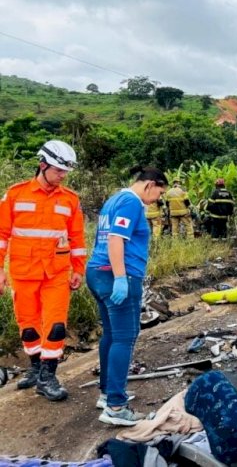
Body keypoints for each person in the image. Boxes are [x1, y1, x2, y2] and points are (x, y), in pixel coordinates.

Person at [0, 140, 86, 401]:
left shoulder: (70, 200)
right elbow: (1, 236)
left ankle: (48, 377)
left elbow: (77, 238)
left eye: (65, 172)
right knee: (28, 326)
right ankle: (36, 369)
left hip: (56, 274)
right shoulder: (15, 195)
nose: (62, 176)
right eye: (58, 170)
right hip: (24, 272)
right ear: (43, 165)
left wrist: (78, 270)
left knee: (56, 326)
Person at [86, 166, 168, 426]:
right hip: (116, 275)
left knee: (110, 335)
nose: (158, 198)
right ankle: (116, 407)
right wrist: (121, 278)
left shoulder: (114, 199)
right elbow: (115, 239)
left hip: (97, 272)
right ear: (149, 184)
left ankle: (108, 393)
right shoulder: (132, 203)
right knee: (125, 338)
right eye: (159, 192)